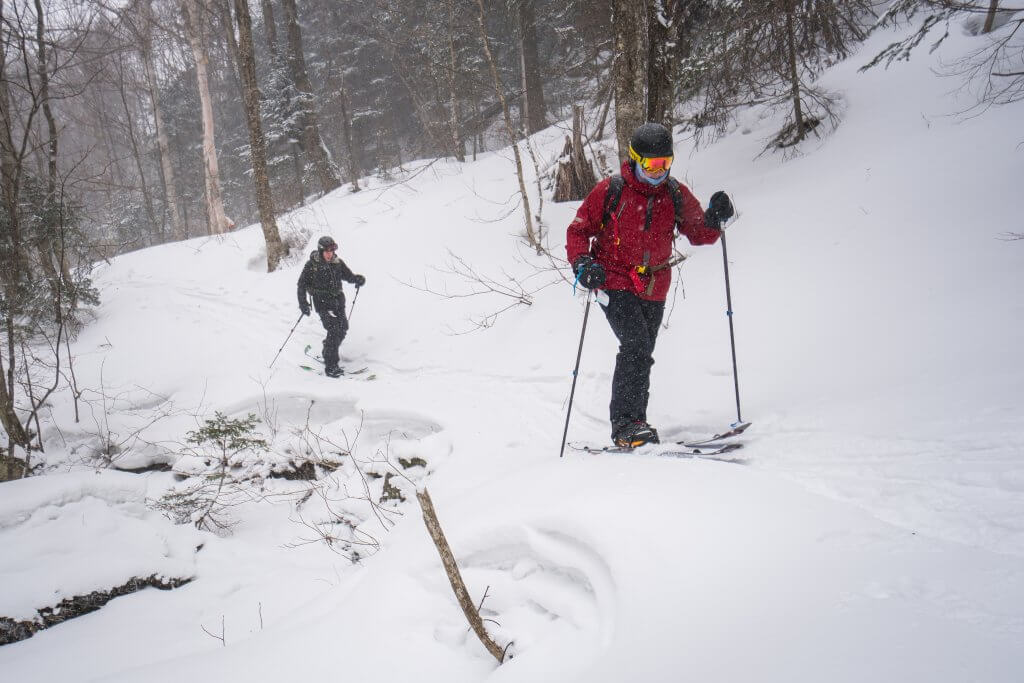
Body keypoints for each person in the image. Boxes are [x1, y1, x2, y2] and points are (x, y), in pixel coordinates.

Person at [566, 122, 735, 447]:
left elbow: (700, 232)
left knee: (643, 351)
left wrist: (715, 217)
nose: (659, 172)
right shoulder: (610, 190)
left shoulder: (674, 194)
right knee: (636, 345)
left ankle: (636, 423)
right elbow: (577, 231)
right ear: (635, 160)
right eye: (652, 165)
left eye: (665, 164)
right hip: (612, 280)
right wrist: (582, 263)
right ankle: (626, 425)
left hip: (655, 284)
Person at [297, 236, 366, 378]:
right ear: (321, 250)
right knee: (334, 331)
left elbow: (348, 276)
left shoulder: (337, 263)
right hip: (322, 303)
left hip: (338, 302)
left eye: (332, 250)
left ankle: (328, 348)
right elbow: (301, 285)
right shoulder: (312, 265)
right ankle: (331, 365)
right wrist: (303, 303)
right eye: (327, 251)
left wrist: (357, 279)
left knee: (343, 329)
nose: (330, 253)